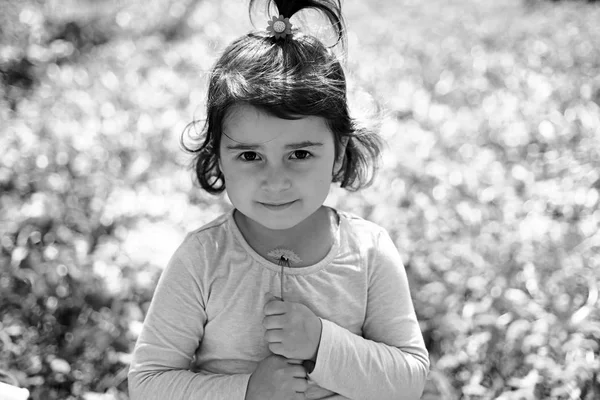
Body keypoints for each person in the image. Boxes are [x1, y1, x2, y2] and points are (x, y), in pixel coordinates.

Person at [127, 0, 430, 399]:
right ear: (217, 156)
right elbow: (149, 383)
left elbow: (408, 380)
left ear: (338, 153)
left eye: (300, 154)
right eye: (250, 156)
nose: (275, 181)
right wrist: (248, 390)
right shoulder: (203, 258)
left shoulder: (367, 252)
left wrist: (322, 344)